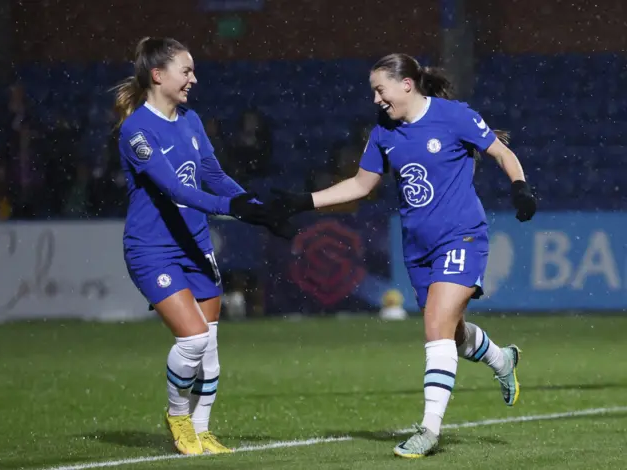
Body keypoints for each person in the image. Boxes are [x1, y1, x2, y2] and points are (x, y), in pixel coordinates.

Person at [270, 53, 537, 459]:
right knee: (451, 332)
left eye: (381, 89)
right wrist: (302, 201)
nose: (377, 99)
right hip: (418, 251)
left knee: (435, 325)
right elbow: (361, 186)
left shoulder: (454, 116)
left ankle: (429, 430)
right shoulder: (383, 132)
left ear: (406, 85)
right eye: (374, 92)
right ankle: (503, 360)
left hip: (462, 238)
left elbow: (502, 153)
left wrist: (519, 186)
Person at [113, 36, 290, 456]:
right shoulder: (137, 130)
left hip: (196, 246)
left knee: (208, 349)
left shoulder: (190, 119)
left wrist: (256, 206)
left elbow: (212, 174)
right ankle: (177, 415)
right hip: (152, 249)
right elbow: (177, 189)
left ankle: (203, 429)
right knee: (191, 340)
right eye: (186, 70)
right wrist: (236, 209)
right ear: (158, 75)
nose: (194, 78)